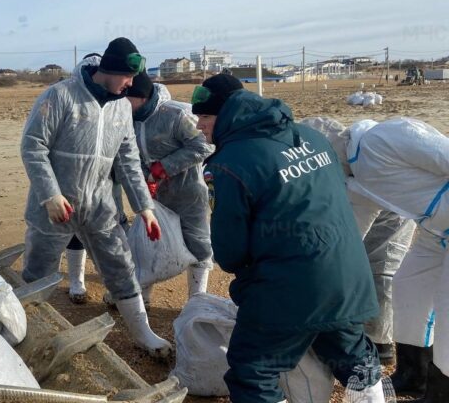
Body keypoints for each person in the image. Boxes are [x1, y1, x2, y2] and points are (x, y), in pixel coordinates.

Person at [192, 74, 384, 403]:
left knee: (253, 369)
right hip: (347, 276)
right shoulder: (312, 137)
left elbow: (230, 251)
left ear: (226, 115)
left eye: (205, 117)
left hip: (289, 288)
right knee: (355, 358)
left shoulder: (229, 165)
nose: (199, 125)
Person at [20, 38, 172, 357]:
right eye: (126, 77)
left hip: (99, 205)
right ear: (109, 70)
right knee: (40, 271)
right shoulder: (61, 96)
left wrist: (144, 206)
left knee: (120, 264)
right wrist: (50, 194)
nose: (131, 85)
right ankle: (26, 335)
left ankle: (143, 334)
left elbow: (127, 160)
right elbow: (33, 146)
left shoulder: (120, 107)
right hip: (55, 205)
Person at [334, 117, 448, 401]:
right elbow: (351, 232)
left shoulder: (387, 136)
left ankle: (442, 393)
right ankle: (415, 376)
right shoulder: (356, 177)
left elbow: (443, 156)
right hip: (433, 231)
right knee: (407, 287)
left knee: (447, 308)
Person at [300, 117, 417, 364]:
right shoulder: (347, 149)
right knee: (366, 267)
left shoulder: (361, 162)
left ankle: (380, 343)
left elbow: (352, 232)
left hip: (395, 211)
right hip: (381, 200)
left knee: (381, 270)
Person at [123, 70, 214, 300]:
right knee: (151, 241)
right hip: (155, 192)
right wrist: (145, 176)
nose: (121, 102)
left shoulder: (176, 114)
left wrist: (164, 167)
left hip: (189, 191)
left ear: (141, 97)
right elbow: (131, 153)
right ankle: (144, 293)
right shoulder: (129, 119)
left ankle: (197, 299)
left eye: (126, 97)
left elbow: (204, 145)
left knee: (198, 241)